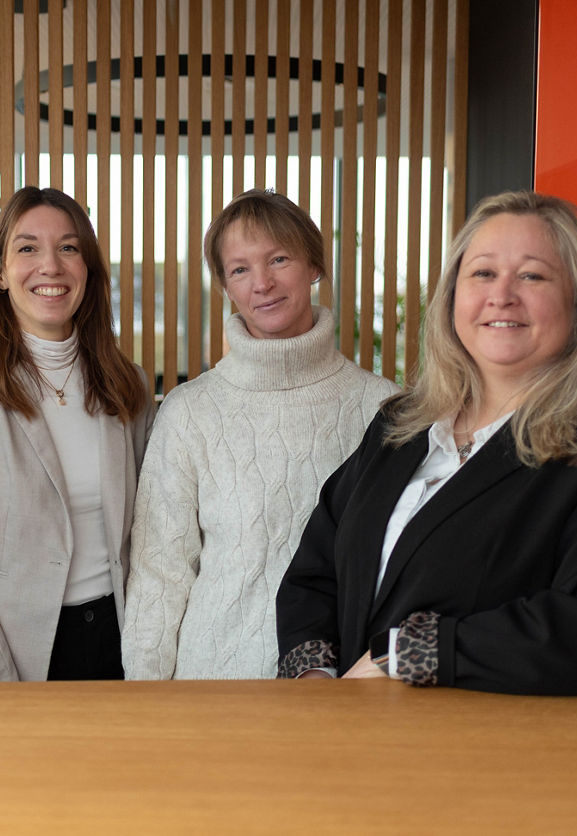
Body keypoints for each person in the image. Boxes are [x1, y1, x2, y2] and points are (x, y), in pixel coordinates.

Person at [276, 190, 577, 695]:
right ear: (452, 297)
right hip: (357, 741)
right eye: (482, 273)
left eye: (533, 275)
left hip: (497, 759)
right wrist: (315, 676)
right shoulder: (399, 427)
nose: (502, 295)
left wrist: (409, 654)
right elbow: (316, 572)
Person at [121, 189, 397, 679]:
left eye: (279, 259)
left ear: (313, 265)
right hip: (212, 685)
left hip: (343, 688)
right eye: (240, 269)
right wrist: (146, 697)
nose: (263, 283)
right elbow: (160, 574)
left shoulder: (385, 409)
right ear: (226, 286)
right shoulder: (190, 411)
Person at [0, 186, 154, 682]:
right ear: (0, 274)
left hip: (123, 643)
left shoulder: (127, 383)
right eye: (27, 248)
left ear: (87, 269)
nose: (51, 266)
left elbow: (148, 537)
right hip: (11, 654)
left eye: (69, 248)